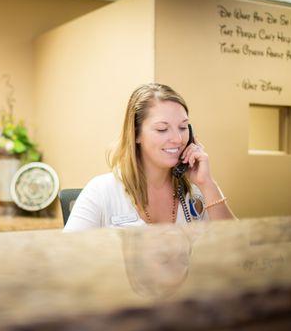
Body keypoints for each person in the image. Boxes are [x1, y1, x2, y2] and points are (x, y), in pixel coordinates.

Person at [64, 83, 236, 231]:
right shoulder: (101, 191)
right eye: (162, 129)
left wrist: (207, 184)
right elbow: (66, 257)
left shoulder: (198, 189)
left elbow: (240, 249)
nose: (177, 139)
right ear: (136, 134)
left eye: (183, 128)